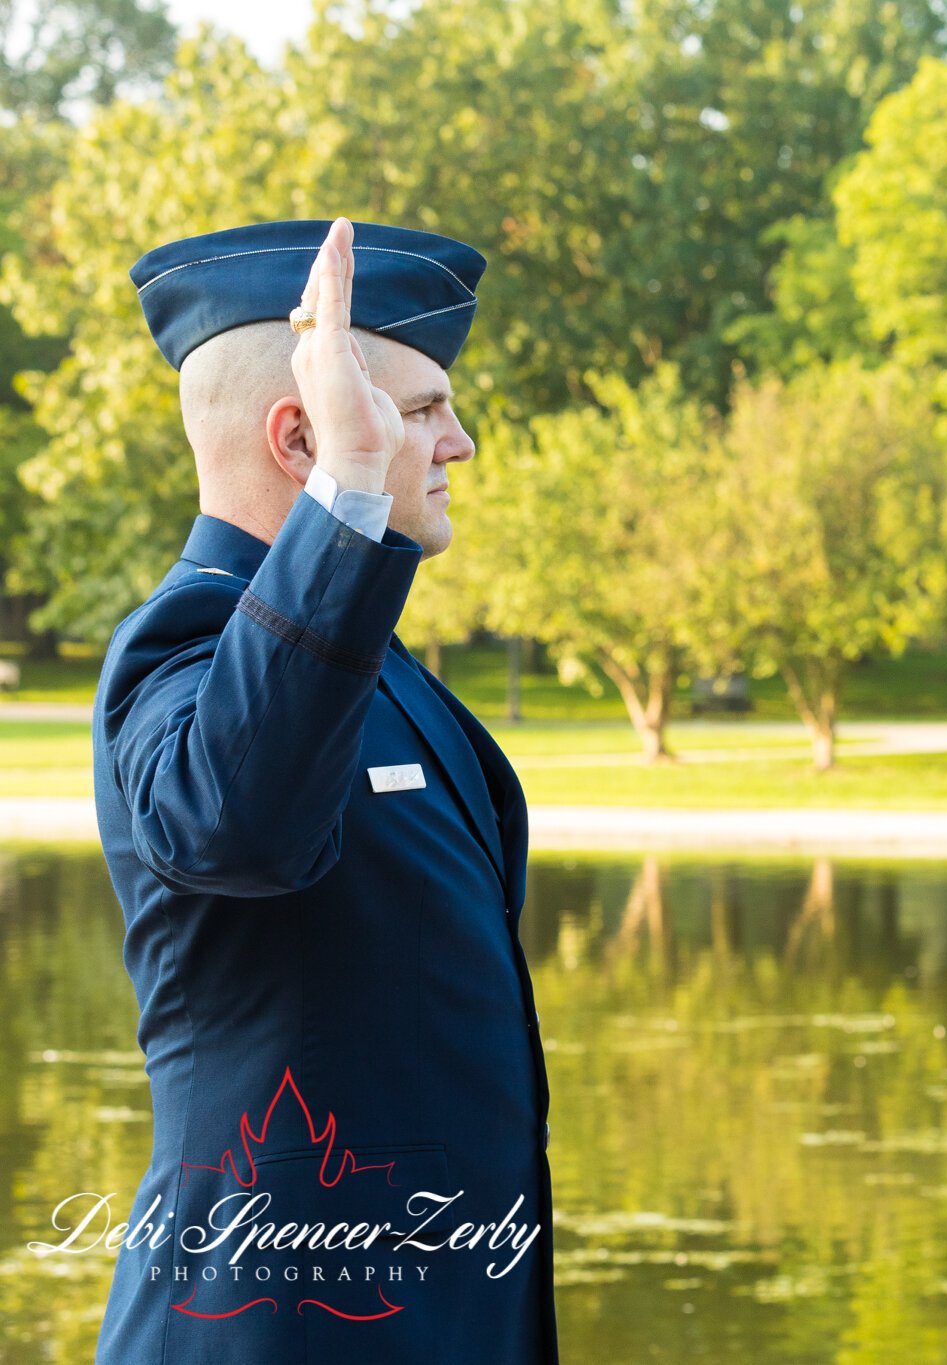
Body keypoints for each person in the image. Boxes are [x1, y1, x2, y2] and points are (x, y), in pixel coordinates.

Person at [92, 218, 556, 1363]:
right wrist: (351, 490)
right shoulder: (187, 647)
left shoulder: (366, 651)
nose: (461, 443)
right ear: (300, 437)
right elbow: (236, 827)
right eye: (416, 411)